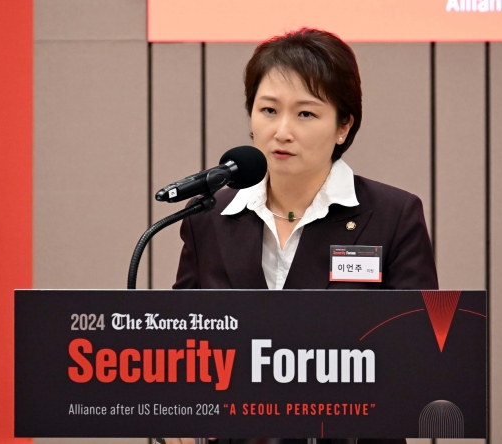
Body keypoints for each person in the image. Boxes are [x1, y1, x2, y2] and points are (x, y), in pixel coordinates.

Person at [169, 28, 438, 444]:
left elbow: (418, 354)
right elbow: (184, 342)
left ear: (343, 126)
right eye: (269, 110)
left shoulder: (392, 215)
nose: (282, 131)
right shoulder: (210, 215)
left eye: (306, 114)